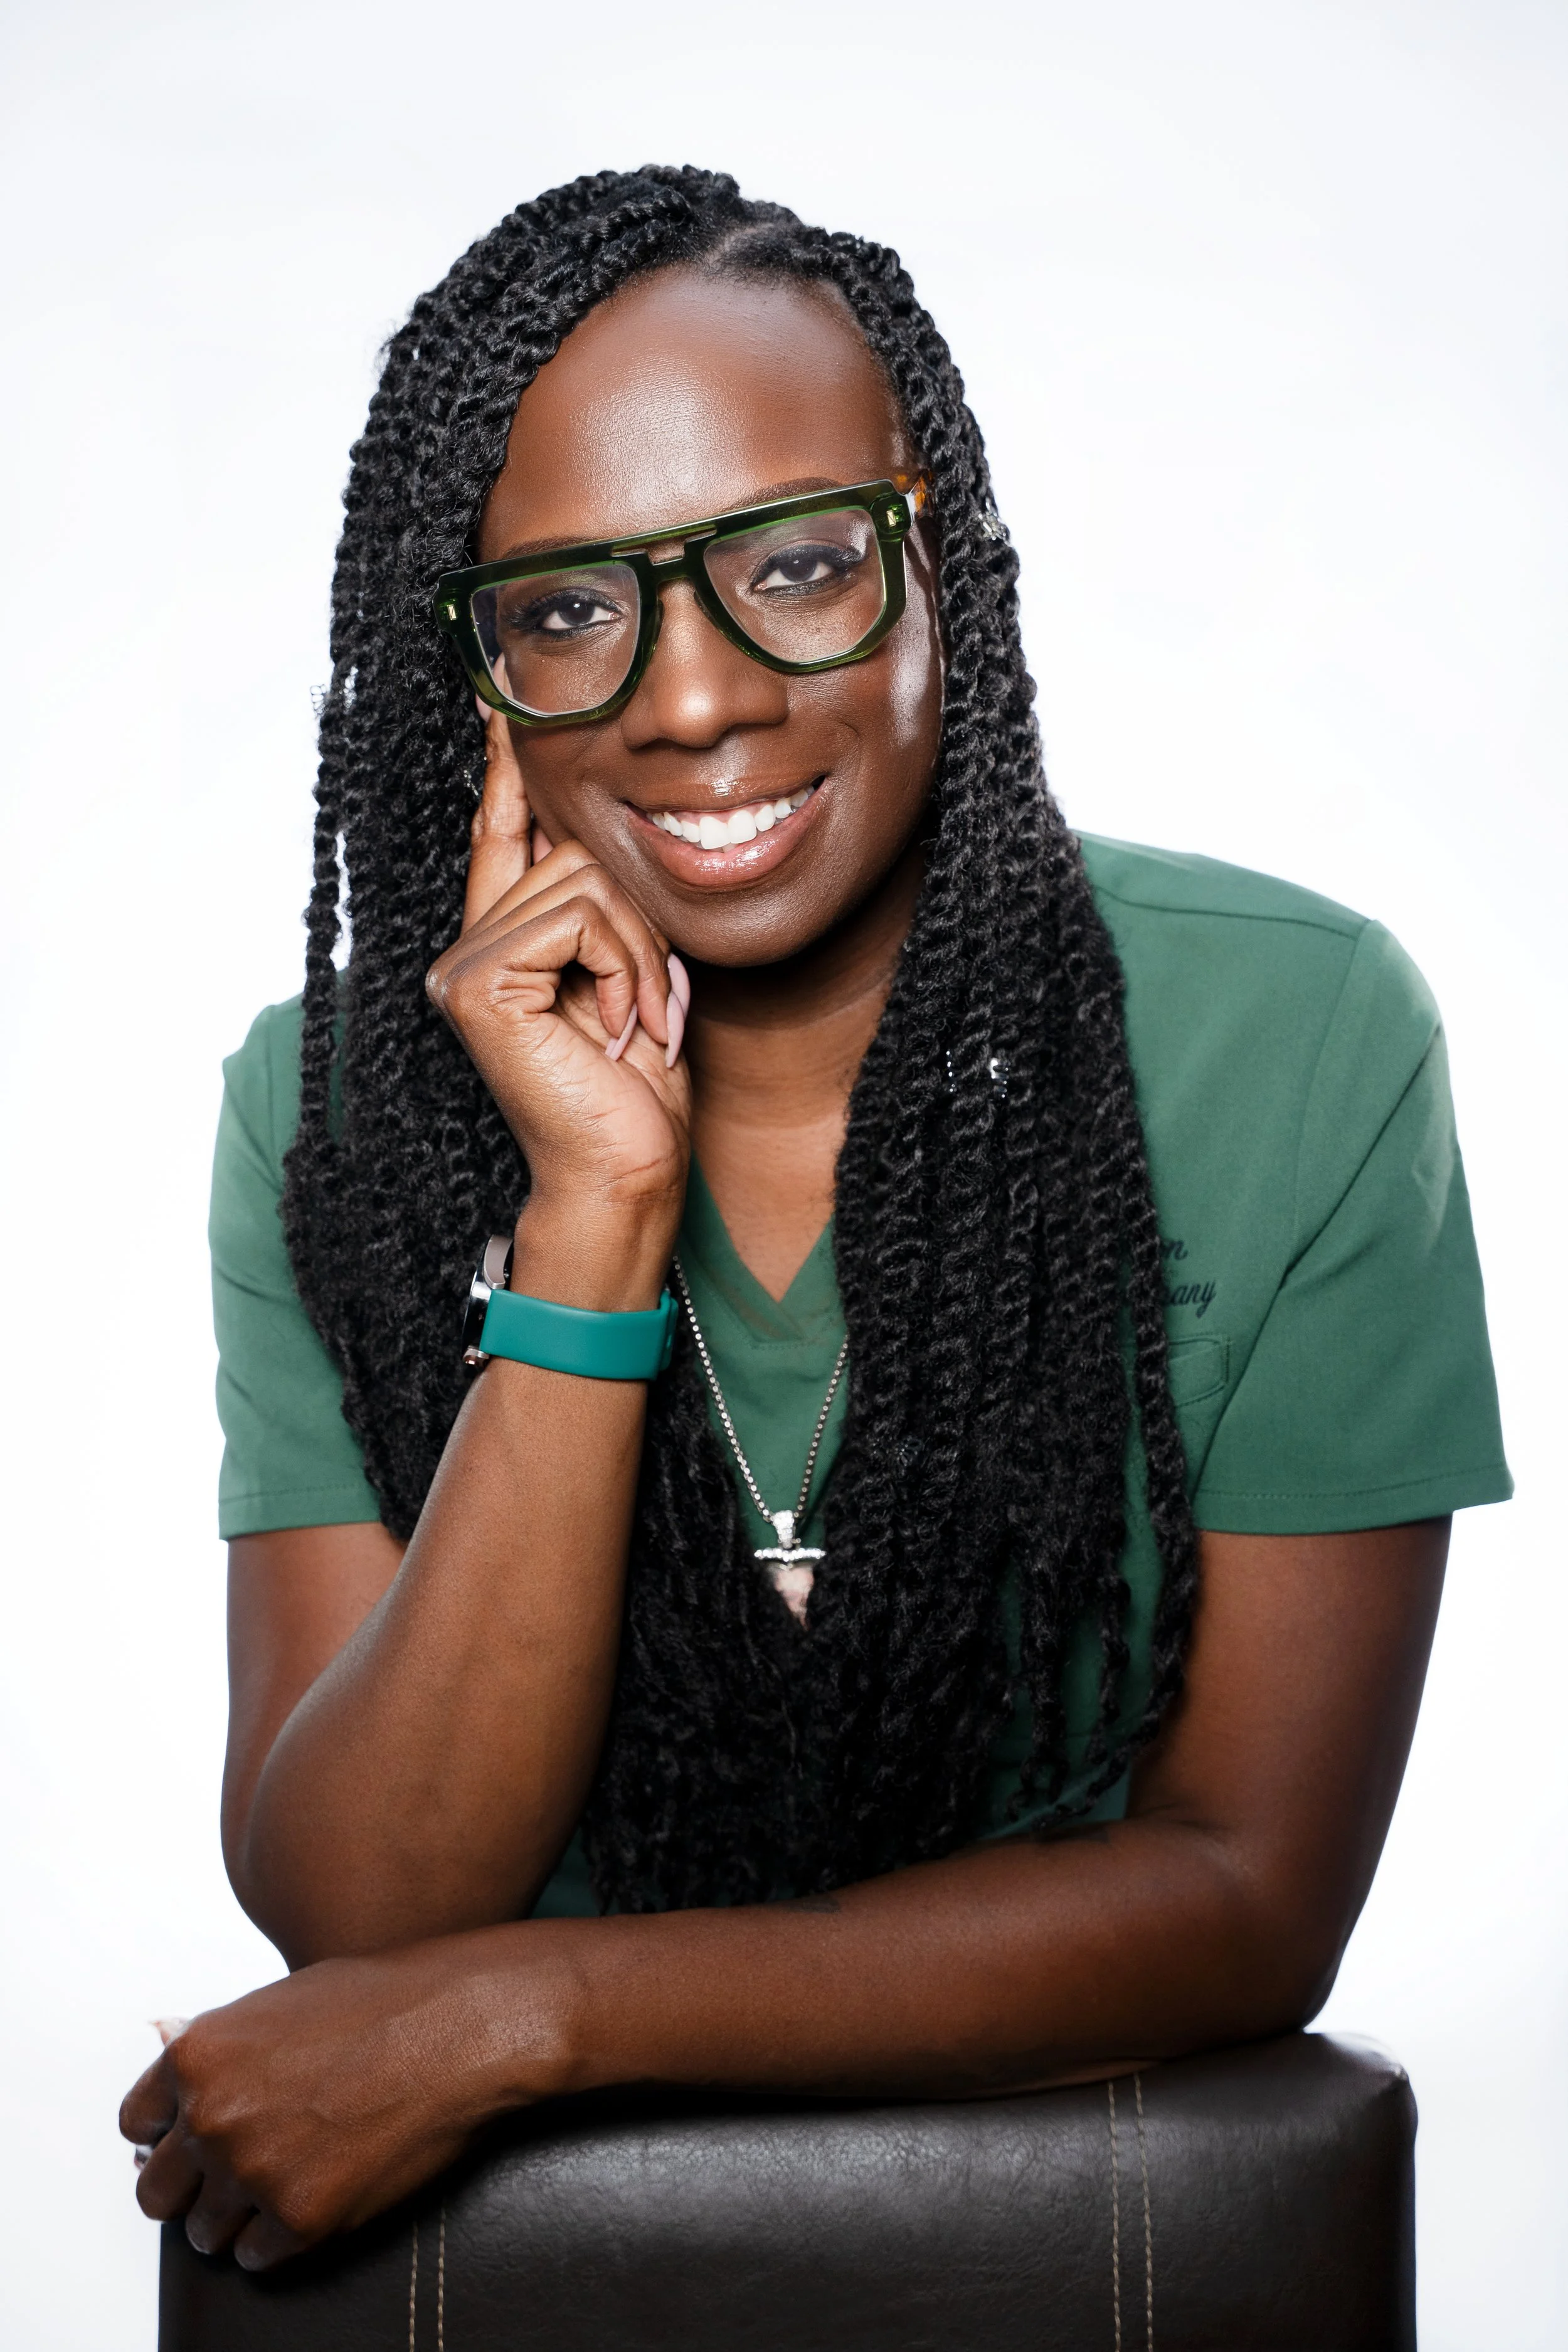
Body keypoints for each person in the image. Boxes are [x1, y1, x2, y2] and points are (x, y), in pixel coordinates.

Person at [121, 166, 1510, 2270]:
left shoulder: (1292, 1032)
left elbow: (1248, 1887)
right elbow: (360, 1905)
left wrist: (535, 2016)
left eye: (788, 566)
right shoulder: (334, 1117)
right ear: (472, 680)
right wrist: (591, 1220)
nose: (689, 698)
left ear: (933, 559)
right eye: (570, 609)